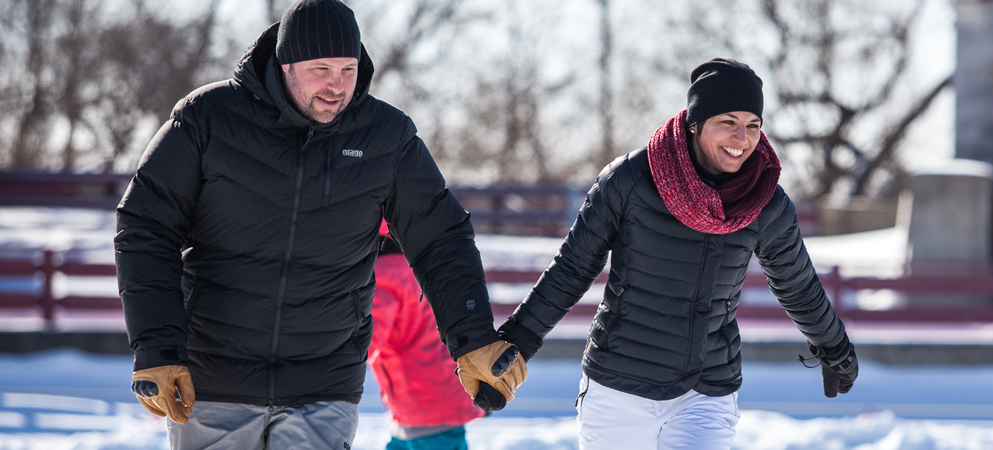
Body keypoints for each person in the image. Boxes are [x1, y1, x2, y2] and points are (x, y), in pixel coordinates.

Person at [115, 1, 526, 449]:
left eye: (348, 68)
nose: (337, 85)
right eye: (321, 68)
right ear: (285, 63)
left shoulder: (385, 138)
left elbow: (441, 240)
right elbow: (146, 228)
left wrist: (473, 338)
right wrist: (157, 347)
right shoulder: (208, 119)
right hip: (215, 382)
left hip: (323, 386)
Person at [494, 58, 859, 450]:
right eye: (728, 122)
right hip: (620, 386)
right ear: (695, 123)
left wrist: (834, 346)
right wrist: (517, 342)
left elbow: (796, 282)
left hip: (707, 390)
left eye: (753, 125)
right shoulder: (631, 180)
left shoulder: (764, 200)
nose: (742, 138)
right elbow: (573, 267)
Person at [370, 222, 482, 450]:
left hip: (424, 400)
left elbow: (365, 339)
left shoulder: (383, 276)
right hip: (433, 392)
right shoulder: (416, 266)